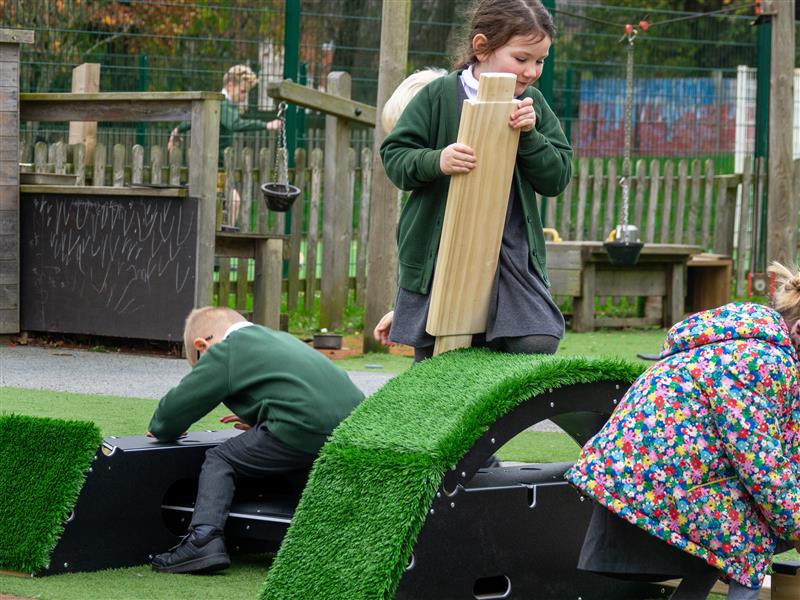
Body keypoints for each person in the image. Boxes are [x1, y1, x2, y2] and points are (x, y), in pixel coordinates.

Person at [565, 263, 800, 600]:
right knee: (752, 527)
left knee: (742, 516)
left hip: (635, 479)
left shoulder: (733, 340)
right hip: (662, 487)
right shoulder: (764, 361)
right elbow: (761, 464)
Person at [377, 0, 572, 363]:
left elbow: (557, 176)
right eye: (521, 58)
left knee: (537, 337)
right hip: (440, 245)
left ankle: (494, 401)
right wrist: (437, 160)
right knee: (437, 351)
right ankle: (437, 413)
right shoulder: (437, 96)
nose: (531, 71)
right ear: (481, 48)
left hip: (508, 246)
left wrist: (530, 136)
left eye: (540, 61)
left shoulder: (532, 103)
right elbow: (395, 156)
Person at [148, 306, 364, 574]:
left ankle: (203, 539)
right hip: (353, 428)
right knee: (295, 462)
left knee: (221, 458)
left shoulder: (224, 351)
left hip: (299, 426)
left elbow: (171, 415)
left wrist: (162, 428)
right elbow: (299, 387)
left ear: (202, 345)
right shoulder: (278, 338)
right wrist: (263, 415)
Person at [168, 64, 281, 228]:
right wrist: (267, 125)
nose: (244, 96)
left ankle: (218, 239)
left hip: (220, 168)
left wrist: (177, 130)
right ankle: (220, 241)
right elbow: (234, 124)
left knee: (223, 205)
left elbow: (194, 116)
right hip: (211, 168)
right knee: (232, 202)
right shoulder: (223, 105)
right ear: (229, 85)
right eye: (243, 91)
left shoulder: (215, 104)